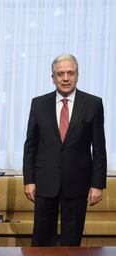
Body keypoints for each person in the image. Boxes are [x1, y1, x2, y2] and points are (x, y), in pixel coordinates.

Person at [23, 54, 107, 246]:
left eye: (70, 73)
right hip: (45, 181)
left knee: (72, 240)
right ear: (53, 77)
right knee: (42, 241)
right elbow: (30, 146)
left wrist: (97, 184)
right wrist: (29, 180)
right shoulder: (38, 104)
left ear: (77, 75)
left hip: (78, 182)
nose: (66, 78)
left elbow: (99, 148)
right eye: (60, 74)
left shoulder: (93, 104)